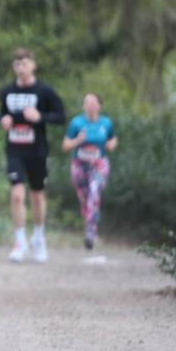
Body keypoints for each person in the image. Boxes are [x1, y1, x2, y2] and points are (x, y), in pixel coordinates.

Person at [0, 47, 65, 263]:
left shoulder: (44, 91)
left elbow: (60, 116)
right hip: (14, 149)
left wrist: (40, 117)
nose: (21, 68)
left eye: (25, 64)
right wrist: (4, 121)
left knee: (37, 196)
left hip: (37, 150)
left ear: (33, 65)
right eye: (17, 64)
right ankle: (19, 241)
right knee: (17, 195)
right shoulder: (7, 91)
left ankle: (38, 237)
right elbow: (2, 113)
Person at [62, 93, 117, 250]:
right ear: (83, 106)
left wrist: (111, 145)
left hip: (99, 164)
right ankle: (89, 227)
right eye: (87, 103)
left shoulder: (106, 123)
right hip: (79, 165)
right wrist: (77, 141)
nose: (90, 106)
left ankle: (91, 233)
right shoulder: (76, 123)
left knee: (94, 192)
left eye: (93, 103)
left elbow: (112, 139)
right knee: (85, 200)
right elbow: (65, 146)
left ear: (99, 106)